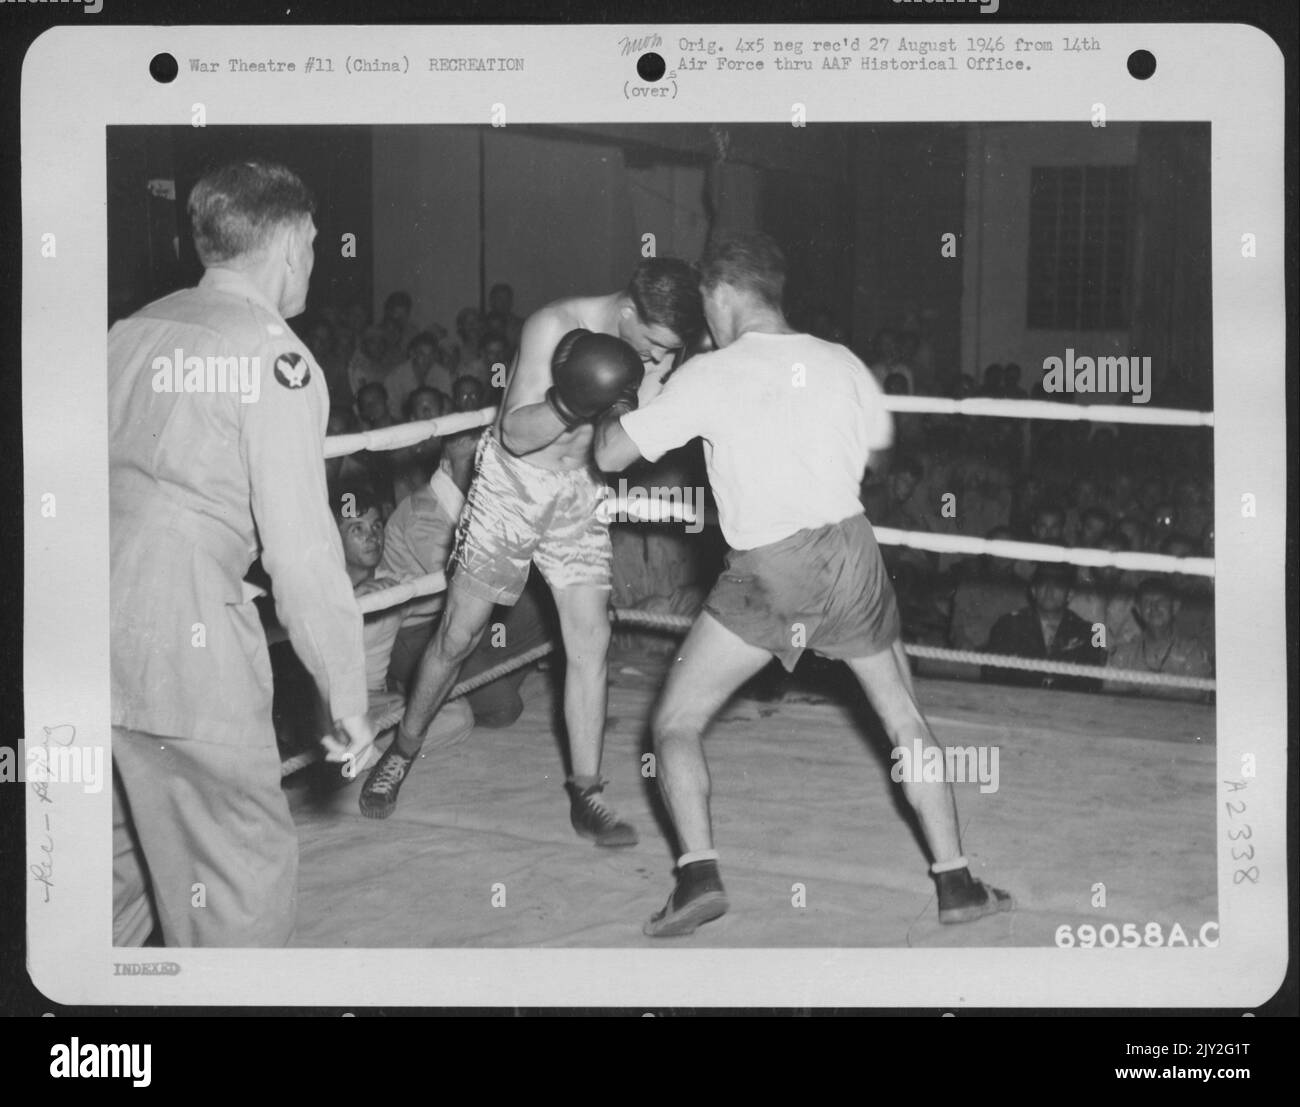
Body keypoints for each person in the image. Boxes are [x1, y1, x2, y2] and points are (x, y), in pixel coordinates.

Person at [594, 231, 1011, 937]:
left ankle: (698, 873)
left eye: (706, 303)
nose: (707, 320)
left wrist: (619, 393)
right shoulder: (842, 360)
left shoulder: (712, 372)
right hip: (853, 549)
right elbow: (877, 454)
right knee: (903, 715)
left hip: (771, 568)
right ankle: (957, 881)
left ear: (724, 294)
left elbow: (609, 454)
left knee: (674, 722)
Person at [108, 160, 372, 947]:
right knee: (236, 880)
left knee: (113, 877)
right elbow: (302, 550)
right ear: (290, 244)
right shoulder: (273, 354)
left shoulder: (129, 331)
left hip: (80, 628)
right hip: (181, 632)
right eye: (316, 244)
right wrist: (346, 692)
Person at [357, 258, 704, 842]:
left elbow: (621, 446)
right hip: (513, 485)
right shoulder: (552, 325)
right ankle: (403, 749)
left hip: (580, 492)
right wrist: (574, 400)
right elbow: (514, 434)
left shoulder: (655, 352)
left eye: (672, 351)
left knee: (590, 639)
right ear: (626, 312)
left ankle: (586, 792)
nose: (662, 362)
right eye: (655, 347)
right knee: (459, 635)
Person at [983, 563, 1107, 691]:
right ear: (1033, 591)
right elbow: (992, 678)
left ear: (1070, 594)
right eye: (1043, 584)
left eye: (1057, 585)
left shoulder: (1090, 632)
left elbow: (1093, 686)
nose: (1049, 591)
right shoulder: (1007, 626)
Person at [1103, 578, 1212, 701]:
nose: (1154, 607)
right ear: (1138, 610)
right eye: (1147, 602)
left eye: (1161, 601)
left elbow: (1194, 697)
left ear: (1175, 607)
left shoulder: (1193, 652)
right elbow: (1112, 699)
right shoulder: (1123, 654)